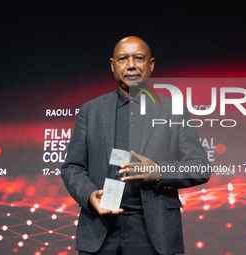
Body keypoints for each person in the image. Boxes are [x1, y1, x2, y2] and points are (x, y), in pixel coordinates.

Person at [61, 36, 210, 255]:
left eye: (139, 58)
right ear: (113, 66)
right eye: (123, 59)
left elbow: (200, 167)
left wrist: (159, 172)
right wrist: (91, 196)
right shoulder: (91, 111)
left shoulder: (172, 110)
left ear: (151, 65)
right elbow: (72, 167)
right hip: (100, 229)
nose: (131, 65)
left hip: (154, 232)